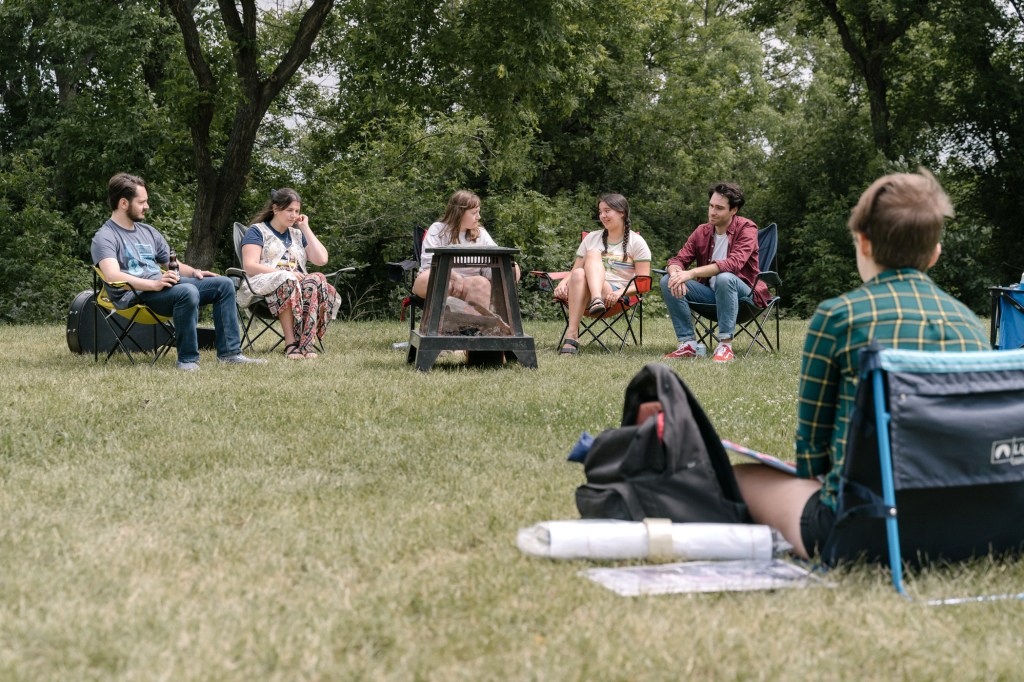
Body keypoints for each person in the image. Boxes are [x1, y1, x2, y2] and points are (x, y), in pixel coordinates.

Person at [732, 169, 990, 559]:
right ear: (935, 252)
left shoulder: (838, 317)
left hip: (862, 528)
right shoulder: (969, 323)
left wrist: (812, 469)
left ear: (863, 243)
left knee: (738, 477)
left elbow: (812, 456)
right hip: (962, 521)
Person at [92, 173, 266, 371]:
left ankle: (230, 354)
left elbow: (173, 265)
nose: (147, 206)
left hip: (162, 287)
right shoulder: (105, 236)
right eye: (141, 202)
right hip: (134, 295)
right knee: (187, 292)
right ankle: (187, 359)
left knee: (224, 284)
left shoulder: (148, 231)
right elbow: (113, 276)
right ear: (123, 203)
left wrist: (196, 272)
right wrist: (153, 284)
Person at [660, 182, 771, 363]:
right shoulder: (701, 232)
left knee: (724, 278)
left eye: (719, 208)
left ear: (733, 210)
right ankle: (688, 344)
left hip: (745, 299)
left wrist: (691, 273)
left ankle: (725, 346)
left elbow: (734, 264)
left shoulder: (747, 228)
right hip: (711, 297)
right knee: (667, 280)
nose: (712, 212)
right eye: (711, 206)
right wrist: (675, 274)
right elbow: (678, 260)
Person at [238, 188, 340, 359]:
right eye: (289, 210)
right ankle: (291, 344)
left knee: (317, 278)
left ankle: (306, 343)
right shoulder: (257, 231)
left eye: (297, 211)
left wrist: (305, 228)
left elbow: (322, 259)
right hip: (263, 287)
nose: (294, 215)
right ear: (275, 209)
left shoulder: (297, 234)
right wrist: (284, 272)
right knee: (288, 279)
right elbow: (249, 266)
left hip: (299, 287)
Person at [553, 193, 652, 355]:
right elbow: (575, 270)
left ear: (622, 212)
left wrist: (619, 293)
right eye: (600, 212)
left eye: (607, 211)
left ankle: (577, 328)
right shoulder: (592, 237)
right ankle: (573, 333)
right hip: (586, 296)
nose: (602, 216)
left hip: (614, 295)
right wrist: (562, 283)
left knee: (592, 253)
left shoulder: (637, 242)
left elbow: (643, 284)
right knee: (579, 272)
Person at [412, 190, 520, 313]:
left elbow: (490, 267)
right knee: (430, 279)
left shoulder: (481, 234)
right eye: (474, 213)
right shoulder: (438, 229)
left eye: (478, 212)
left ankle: (470, 322)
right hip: (441, 279)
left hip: (470, 284)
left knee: (482, 283)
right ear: (459, 213)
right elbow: (429, 263)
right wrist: (455, 277)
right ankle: (451, 316)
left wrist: (509, 268)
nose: (478, 217)